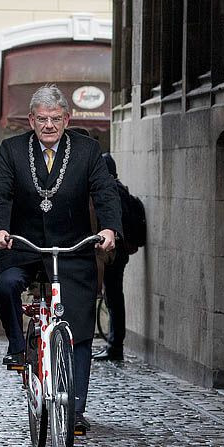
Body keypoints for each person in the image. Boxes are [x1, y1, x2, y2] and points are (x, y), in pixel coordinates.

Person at [0, 84, 121, 435]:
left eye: (55, 119)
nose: (49, 125)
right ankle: (18, 345)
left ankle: (74, 410)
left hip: (72, 246)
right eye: (42, 119)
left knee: (79, 328)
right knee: (5, 285)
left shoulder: (88, 150)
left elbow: (104, 191)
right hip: (24, 243)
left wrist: (108, 229)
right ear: (31, 120)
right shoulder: (13, 149)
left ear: (67, 119)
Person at [93, 152, 130, 362]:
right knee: (114, 297)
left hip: (112, 252)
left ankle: (115, 345)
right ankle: (114, 344)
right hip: (117, 251)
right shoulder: (120, 189)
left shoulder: (111, 192)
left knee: (114, 297)